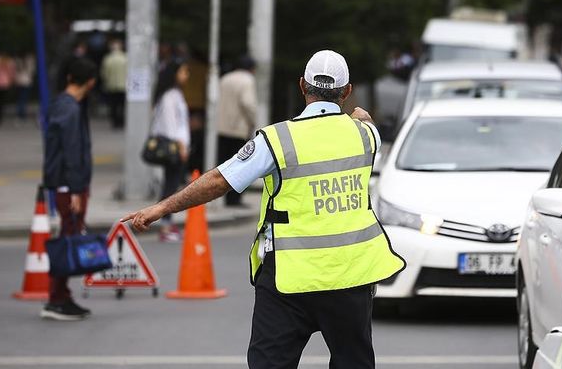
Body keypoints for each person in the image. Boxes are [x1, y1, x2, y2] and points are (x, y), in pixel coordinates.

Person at [122, 50, 406, 368]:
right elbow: (364, 121)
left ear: (302, 86)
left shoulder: (277, 140)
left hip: (288, 279)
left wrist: (162, 207)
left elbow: (219, 180)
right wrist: (359, 116)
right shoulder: (367, 136)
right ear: (347, 91)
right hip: (351, 276)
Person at [41, 58, 97, 321]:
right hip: (69, 186)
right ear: (90, 82)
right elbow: (72, 152)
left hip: (65, 184)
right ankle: (56, 299)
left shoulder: (61, 104)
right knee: (68, 239)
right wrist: (76, 190)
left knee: (68, 236)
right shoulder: (71, 109)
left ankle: (61, 296)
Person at [150, 58, 191, 243]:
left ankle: (167, 222)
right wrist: (181, 146)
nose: (186, 76)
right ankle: (165, 225)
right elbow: (171, 126)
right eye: (183, 71)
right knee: (170, 185)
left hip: (177, 145)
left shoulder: (174, 94)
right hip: (173, 147)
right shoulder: (169, 96)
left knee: (172, 183)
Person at [216, 55, 257, 207]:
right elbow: (248, 103)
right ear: (251, 68)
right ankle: (235, 199)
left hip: (222, 127)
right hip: (238, 129)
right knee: (240, 165)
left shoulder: (225, 78)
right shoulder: (247, 80)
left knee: (225, 165)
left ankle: (226, 198)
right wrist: (253, 121)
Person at [100, 39, 127, 129]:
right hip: (123, 85)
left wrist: (106, 82)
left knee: (113, 105)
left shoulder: (108, 59)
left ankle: (115, 122)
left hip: (111, 85)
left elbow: (104, 73)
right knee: (122, 105)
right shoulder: (125, 58)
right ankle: (121, 121)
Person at [14, 51, 35, 122]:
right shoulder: (29, 61)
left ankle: (20, 112)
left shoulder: (17, 61)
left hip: (19, 81)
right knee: (24, 98)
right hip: (26, 81)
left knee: (20, 98)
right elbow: (32, 70)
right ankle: (23, 113)